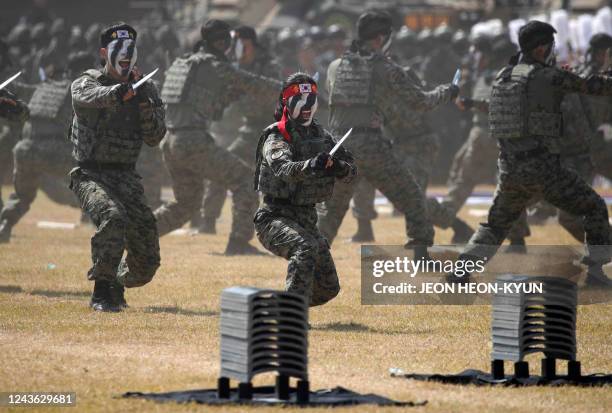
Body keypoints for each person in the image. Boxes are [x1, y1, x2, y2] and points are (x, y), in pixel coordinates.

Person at [455, 21, 612, 287]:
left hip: (510, 169)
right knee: (594, 207)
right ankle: (596, 273)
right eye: (550, 46)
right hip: (544, 169)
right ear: (541, 48)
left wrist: (469, 103)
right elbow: (593, 86)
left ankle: (461, 270)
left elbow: (494, 106)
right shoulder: (547, 76)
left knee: (495, 226)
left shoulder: (504, 75)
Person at [318, 10, 458, 252]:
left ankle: (308, 264)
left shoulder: (335, 66)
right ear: (380, 39)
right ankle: (421, 254)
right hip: (370, 147)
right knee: (412, 198)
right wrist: (448, 91)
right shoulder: (384, 68)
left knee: (328, 216)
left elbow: (342, 102)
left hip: (338, 146)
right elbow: (420, 102)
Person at [154, 19, 280, 254]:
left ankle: (137, 234)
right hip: (193, 141)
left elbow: (206, 104)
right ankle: (238, 243)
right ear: (222, 42)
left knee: (186, 204)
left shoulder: (184, 63)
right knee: (245, 182)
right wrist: (292, 89)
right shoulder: (215, 65)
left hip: (170, 141)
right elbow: (253, 83)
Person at [69, 22, 167, 311]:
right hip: (90, 173)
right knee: (113, 218)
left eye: (130, 50)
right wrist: (117, 94)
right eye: (118, 50)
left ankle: (117, 282)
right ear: (104, 53)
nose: (126, 55)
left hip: (125, 175)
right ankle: (101, 291)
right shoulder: (88, 82)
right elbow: (85, 97)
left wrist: (144, 105)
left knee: (147, 256)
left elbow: (155, 137)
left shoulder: (145, 89)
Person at [254, 73, 356, 306]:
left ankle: (278, 305)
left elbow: (351, 172)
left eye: (311, 98)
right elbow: (284, 168)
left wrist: (338, 167)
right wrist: (311, 164)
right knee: (304, 248)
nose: (307, 105)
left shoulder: (322, 136)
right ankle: (291, 314)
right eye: (300, 99)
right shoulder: (277, 135)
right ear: (287, 102)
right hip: (274, 218)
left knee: (329, 288)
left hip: (307, 220)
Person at [0, 51, 92, 243]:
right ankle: (96, 219)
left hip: (25, 150)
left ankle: (5, 226)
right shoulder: (79, 89)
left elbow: (20, 90)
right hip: (54, 152)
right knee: (97, 178)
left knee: (22, 194)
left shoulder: (45, 87)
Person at [199, 25, 282, 234]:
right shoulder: (233, 66)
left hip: (271, 131)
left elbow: (271, 96)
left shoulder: (268, 66)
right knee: (221, 170)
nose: (237, 49)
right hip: (249, 129)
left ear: (252, 44)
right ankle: (208, 221)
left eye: (241, 44)